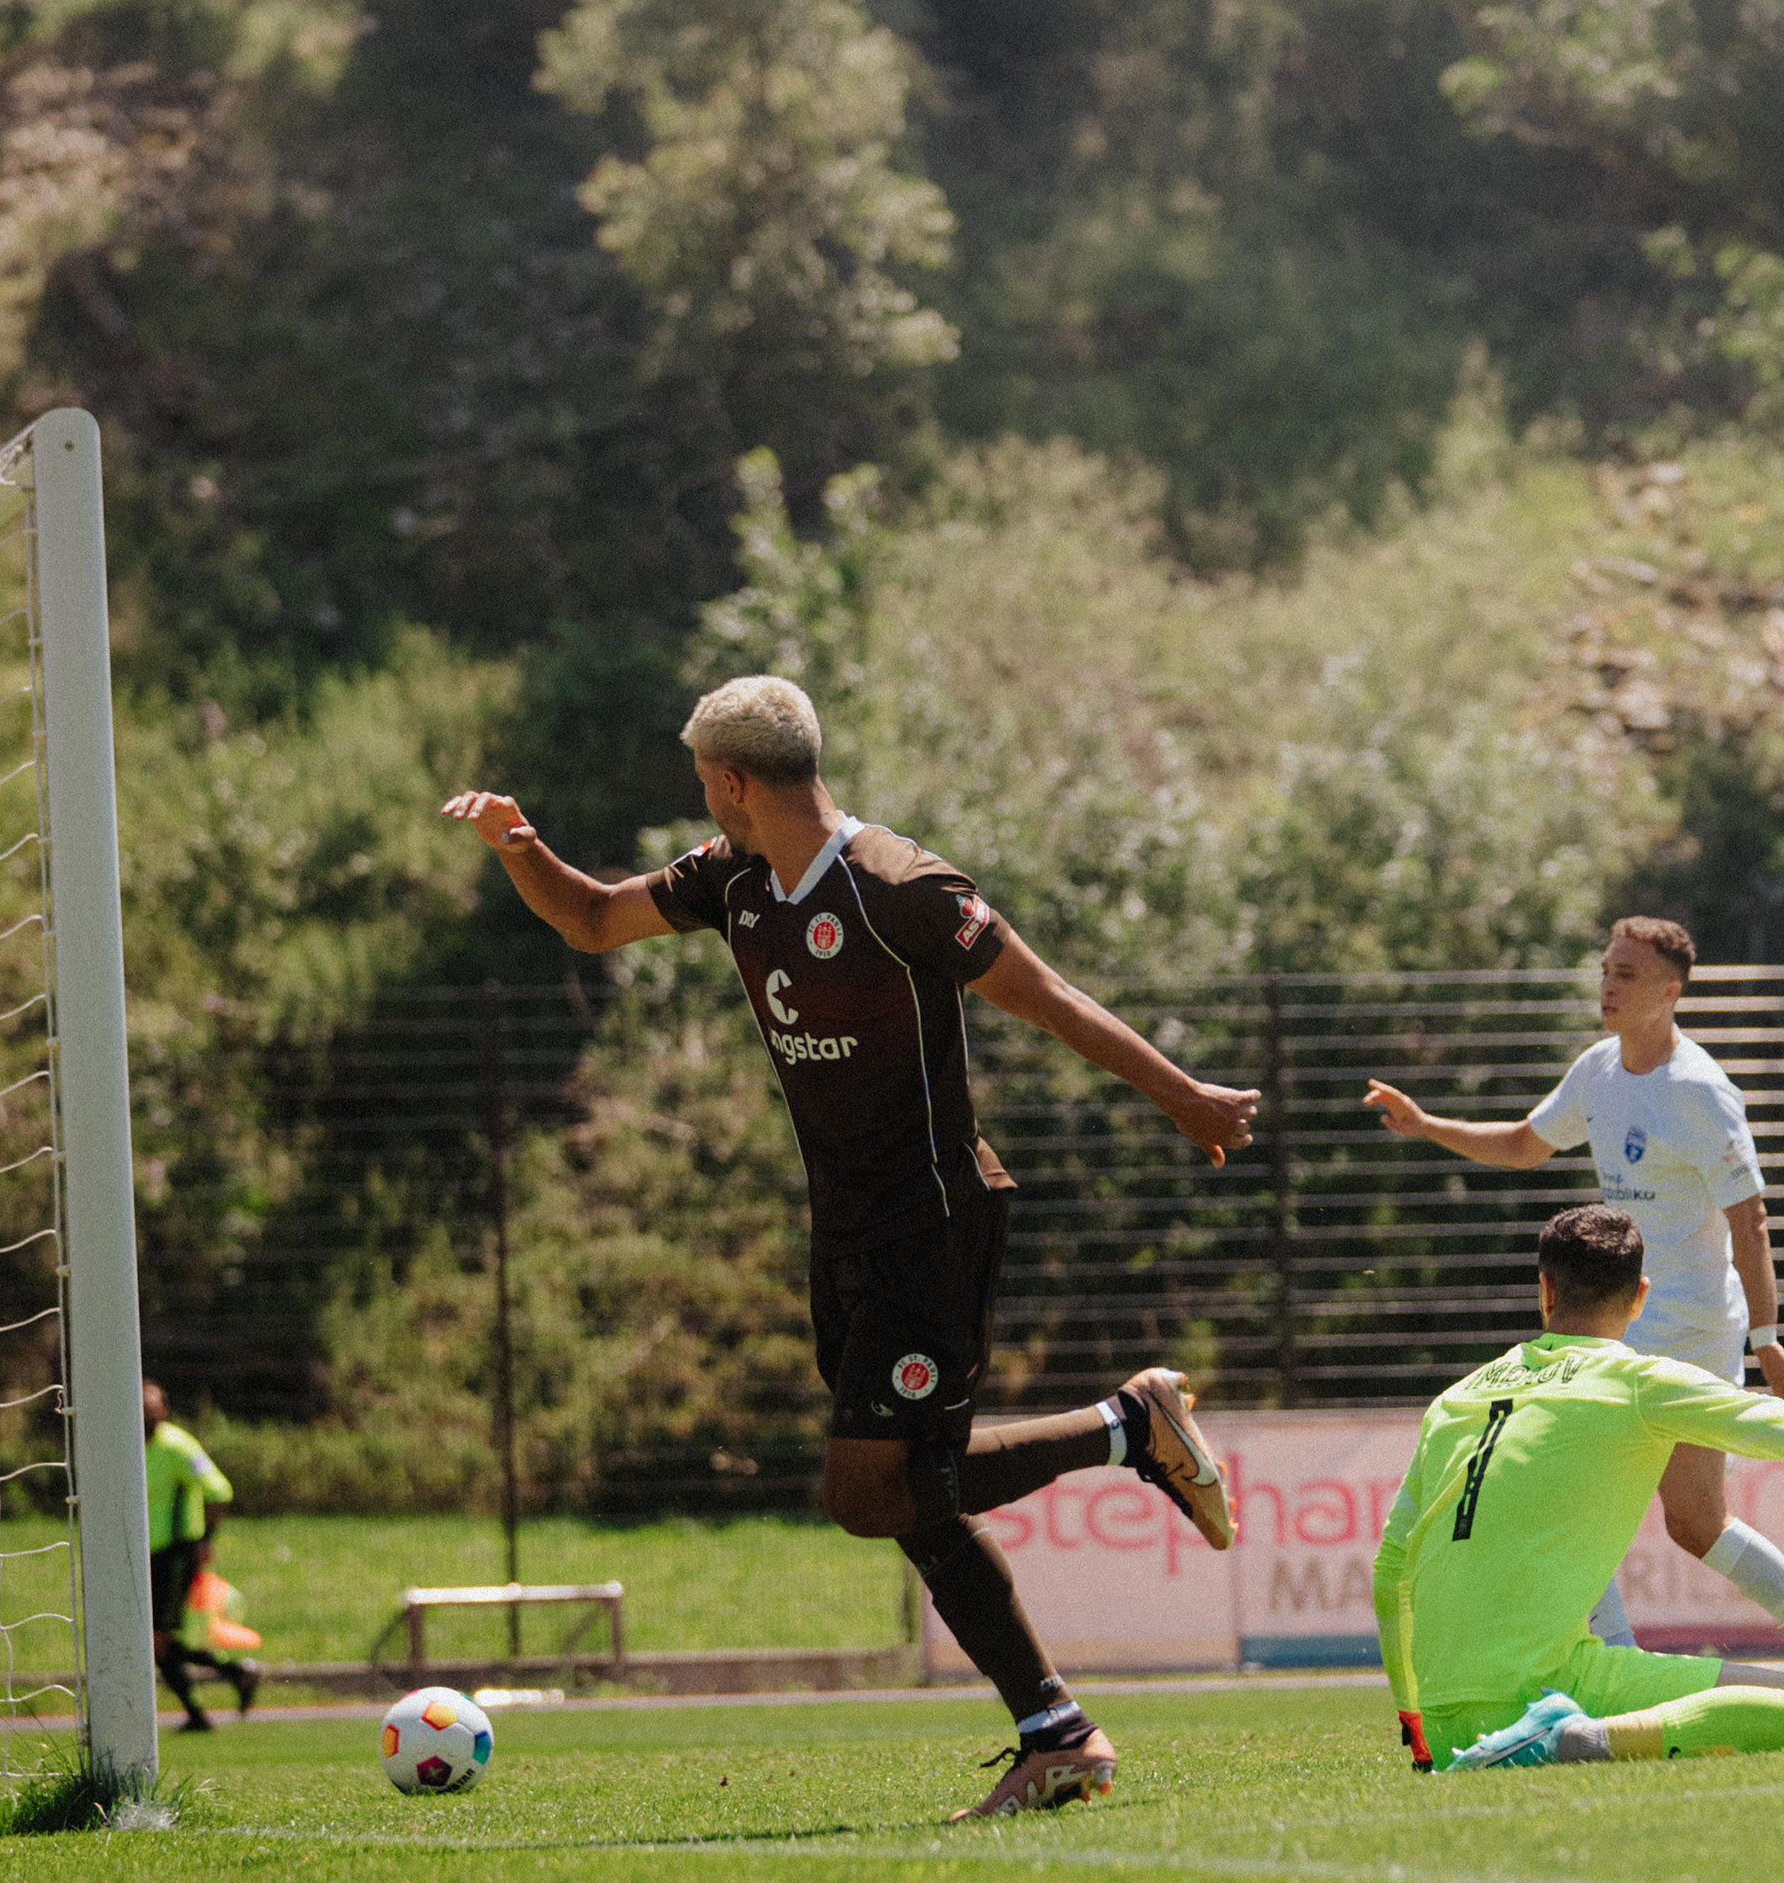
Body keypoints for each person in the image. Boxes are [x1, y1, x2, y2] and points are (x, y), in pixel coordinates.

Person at [442, 674, 1261, 1817]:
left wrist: (1184, 1097)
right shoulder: (729, 881)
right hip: (848, 1232)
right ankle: (1056, 1733)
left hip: (930, 1220)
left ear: (729, 780)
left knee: (866, 1491)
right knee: (908, 1497)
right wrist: (518, 841)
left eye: (700, 783)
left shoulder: (897, 888)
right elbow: (588, 918)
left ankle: (1127, 1427)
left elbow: (1052, 997)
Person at [1364, 916, 1784, 1704]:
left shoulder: (1700, 1091)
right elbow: (1525, 1144)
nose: (1609, 986)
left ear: (1670, 991)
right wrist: (1426, 1127)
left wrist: (1768, 1340)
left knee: (1568, 1486)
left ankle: (1611, 1664)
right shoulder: (1597, 1072)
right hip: (1630, 1321)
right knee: (1695, 1525)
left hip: (1684, 1323)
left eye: (1627, 974)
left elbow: (1749, 1218)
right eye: (1606, 970)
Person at [1373, 1204, 1784, 1773]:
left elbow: (1390, 1572)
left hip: (1446, 1718)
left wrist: (1417, 1727)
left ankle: (1573, 1737)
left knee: (1777, 1704)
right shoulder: (1640, 1383)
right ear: (1640, 1296)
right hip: (1551, 1691)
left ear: (1546, 1291)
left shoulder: (1455, 1397)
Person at [145, 1380, 255, 1733]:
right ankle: (235, 1673)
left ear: (164, 1410)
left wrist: (205, 1538)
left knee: (156, 1641)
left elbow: (219, 1490)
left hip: (175, 1554)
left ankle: (197, 1714)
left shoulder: (177, 1446)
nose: (145, 1413)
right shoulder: (125, 1448)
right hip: (143, 1556)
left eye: (151, 1406)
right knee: (155, 1641)